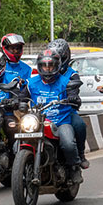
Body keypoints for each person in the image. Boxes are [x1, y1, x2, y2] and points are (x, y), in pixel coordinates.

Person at [25, 49, 85, 184]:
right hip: (38, 122)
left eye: (50, 65)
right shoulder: (31, 83)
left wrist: (73, 98)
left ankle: (74, 167)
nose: (47, 69)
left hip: (61, 121)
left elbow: (74, 95)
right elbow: (22, 96)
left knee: (68, 144)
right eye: (44, 65)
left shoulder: (65, 82)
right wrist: (16, 101)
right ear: (39, 66)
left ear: (57, 66)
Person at [46, 39, 89, 169]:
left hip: (65, 112)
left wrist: (73, 98)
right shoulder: (43, 72)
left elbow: (74, 91)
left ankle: (80, 155)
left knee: (80, 125)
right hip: (45, 112)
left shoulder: (72, 75)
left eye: (59, 58)